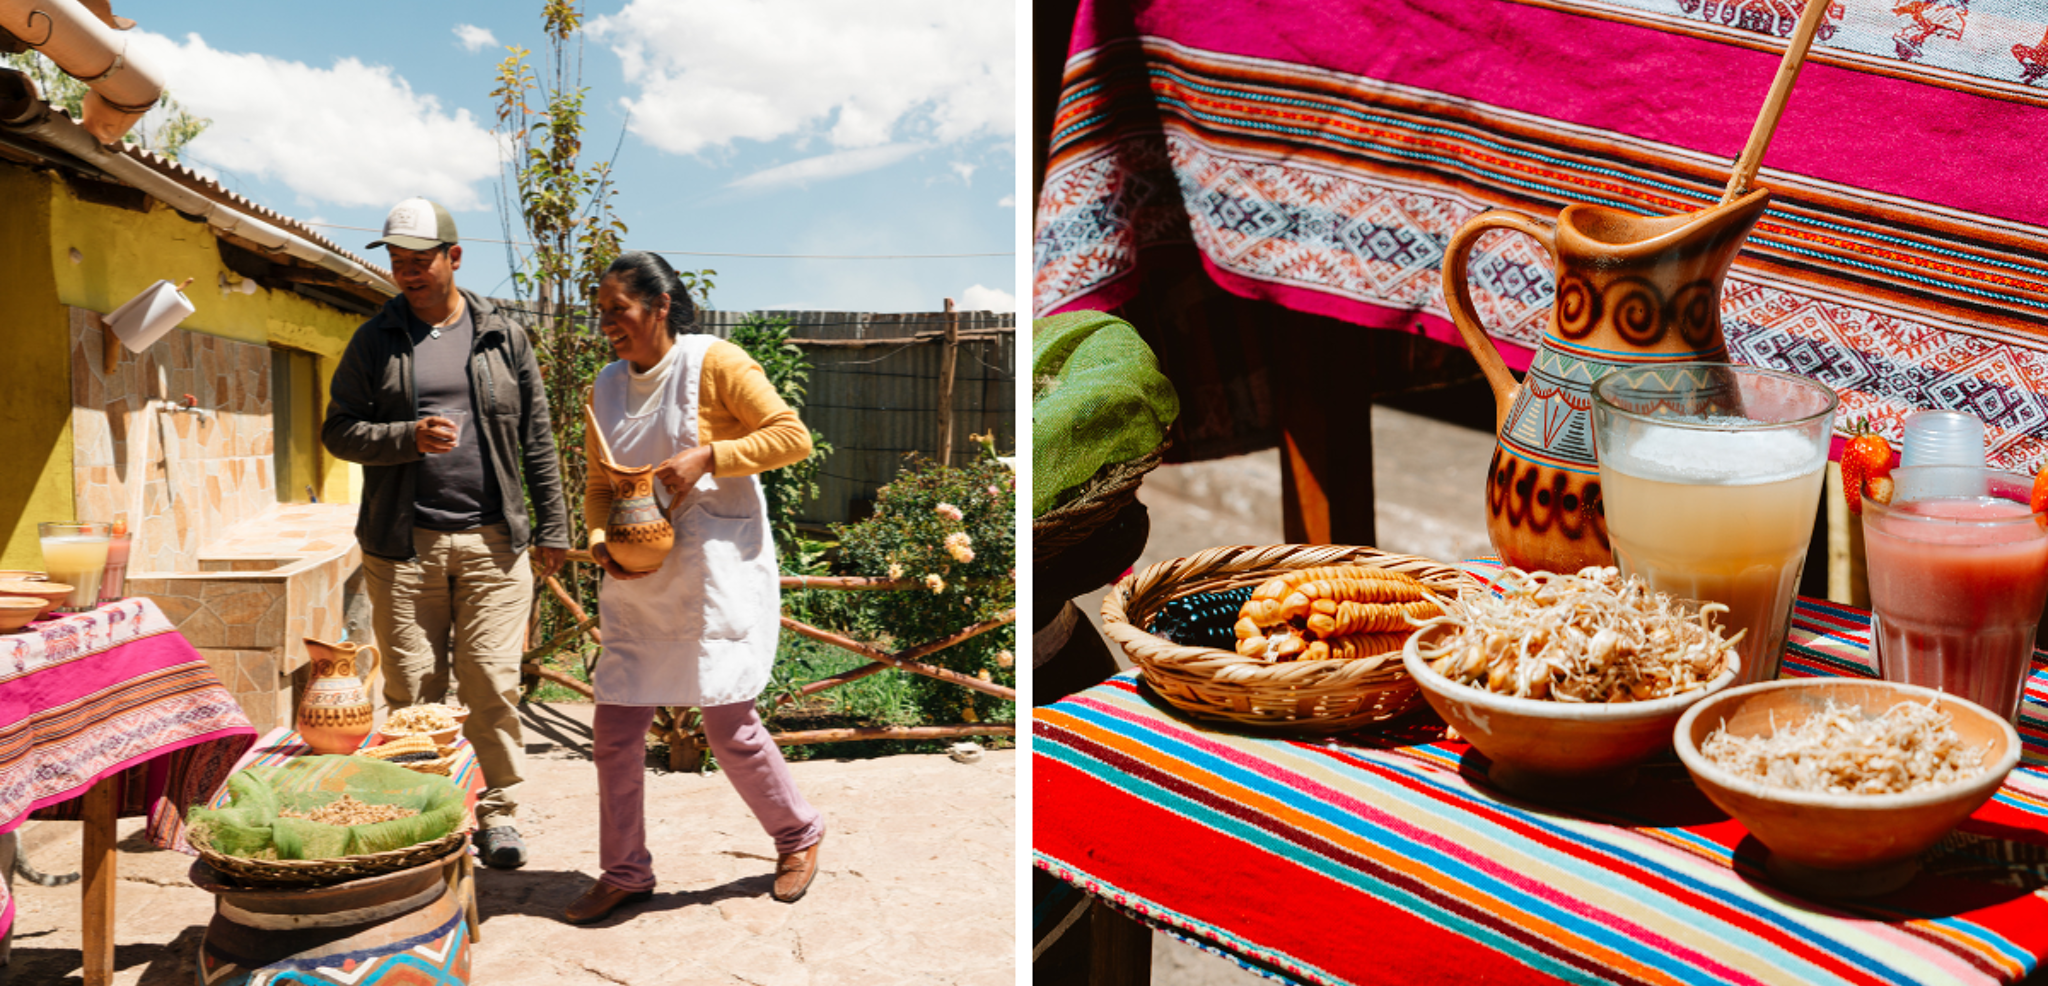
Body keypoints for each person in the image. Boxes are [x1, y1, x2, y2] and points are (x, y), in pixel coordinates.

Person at [566, 250, 824, 924]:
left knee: (728, 723)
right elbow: (599, 486)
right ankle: (625, 870)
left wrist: (713, 454)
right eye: (602, 315)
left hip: (712, 574)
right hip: (640, 579)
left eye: (617, 312)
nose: (607, 327)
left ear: (659, 306)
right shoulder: (606, 386)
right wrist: (600, 544)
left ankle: (799, 835)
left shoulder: (716, 364)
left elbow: (793, 436)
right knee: (616, 728)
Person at [321, 197, 570, 870]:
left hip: (494, 540)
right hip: (404, 545)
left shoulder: (502, 335)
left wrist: (555, 526)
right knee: (411, 689)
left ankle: (498, 813)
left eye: (420, 260)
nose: (407, 272)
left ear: (453, 258)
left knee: (490, 680)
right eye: (398, 261)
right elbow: (338, 429)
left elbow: (537, 436)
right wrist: (406, 437)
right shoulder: (375, 340)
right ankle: (426, 815)